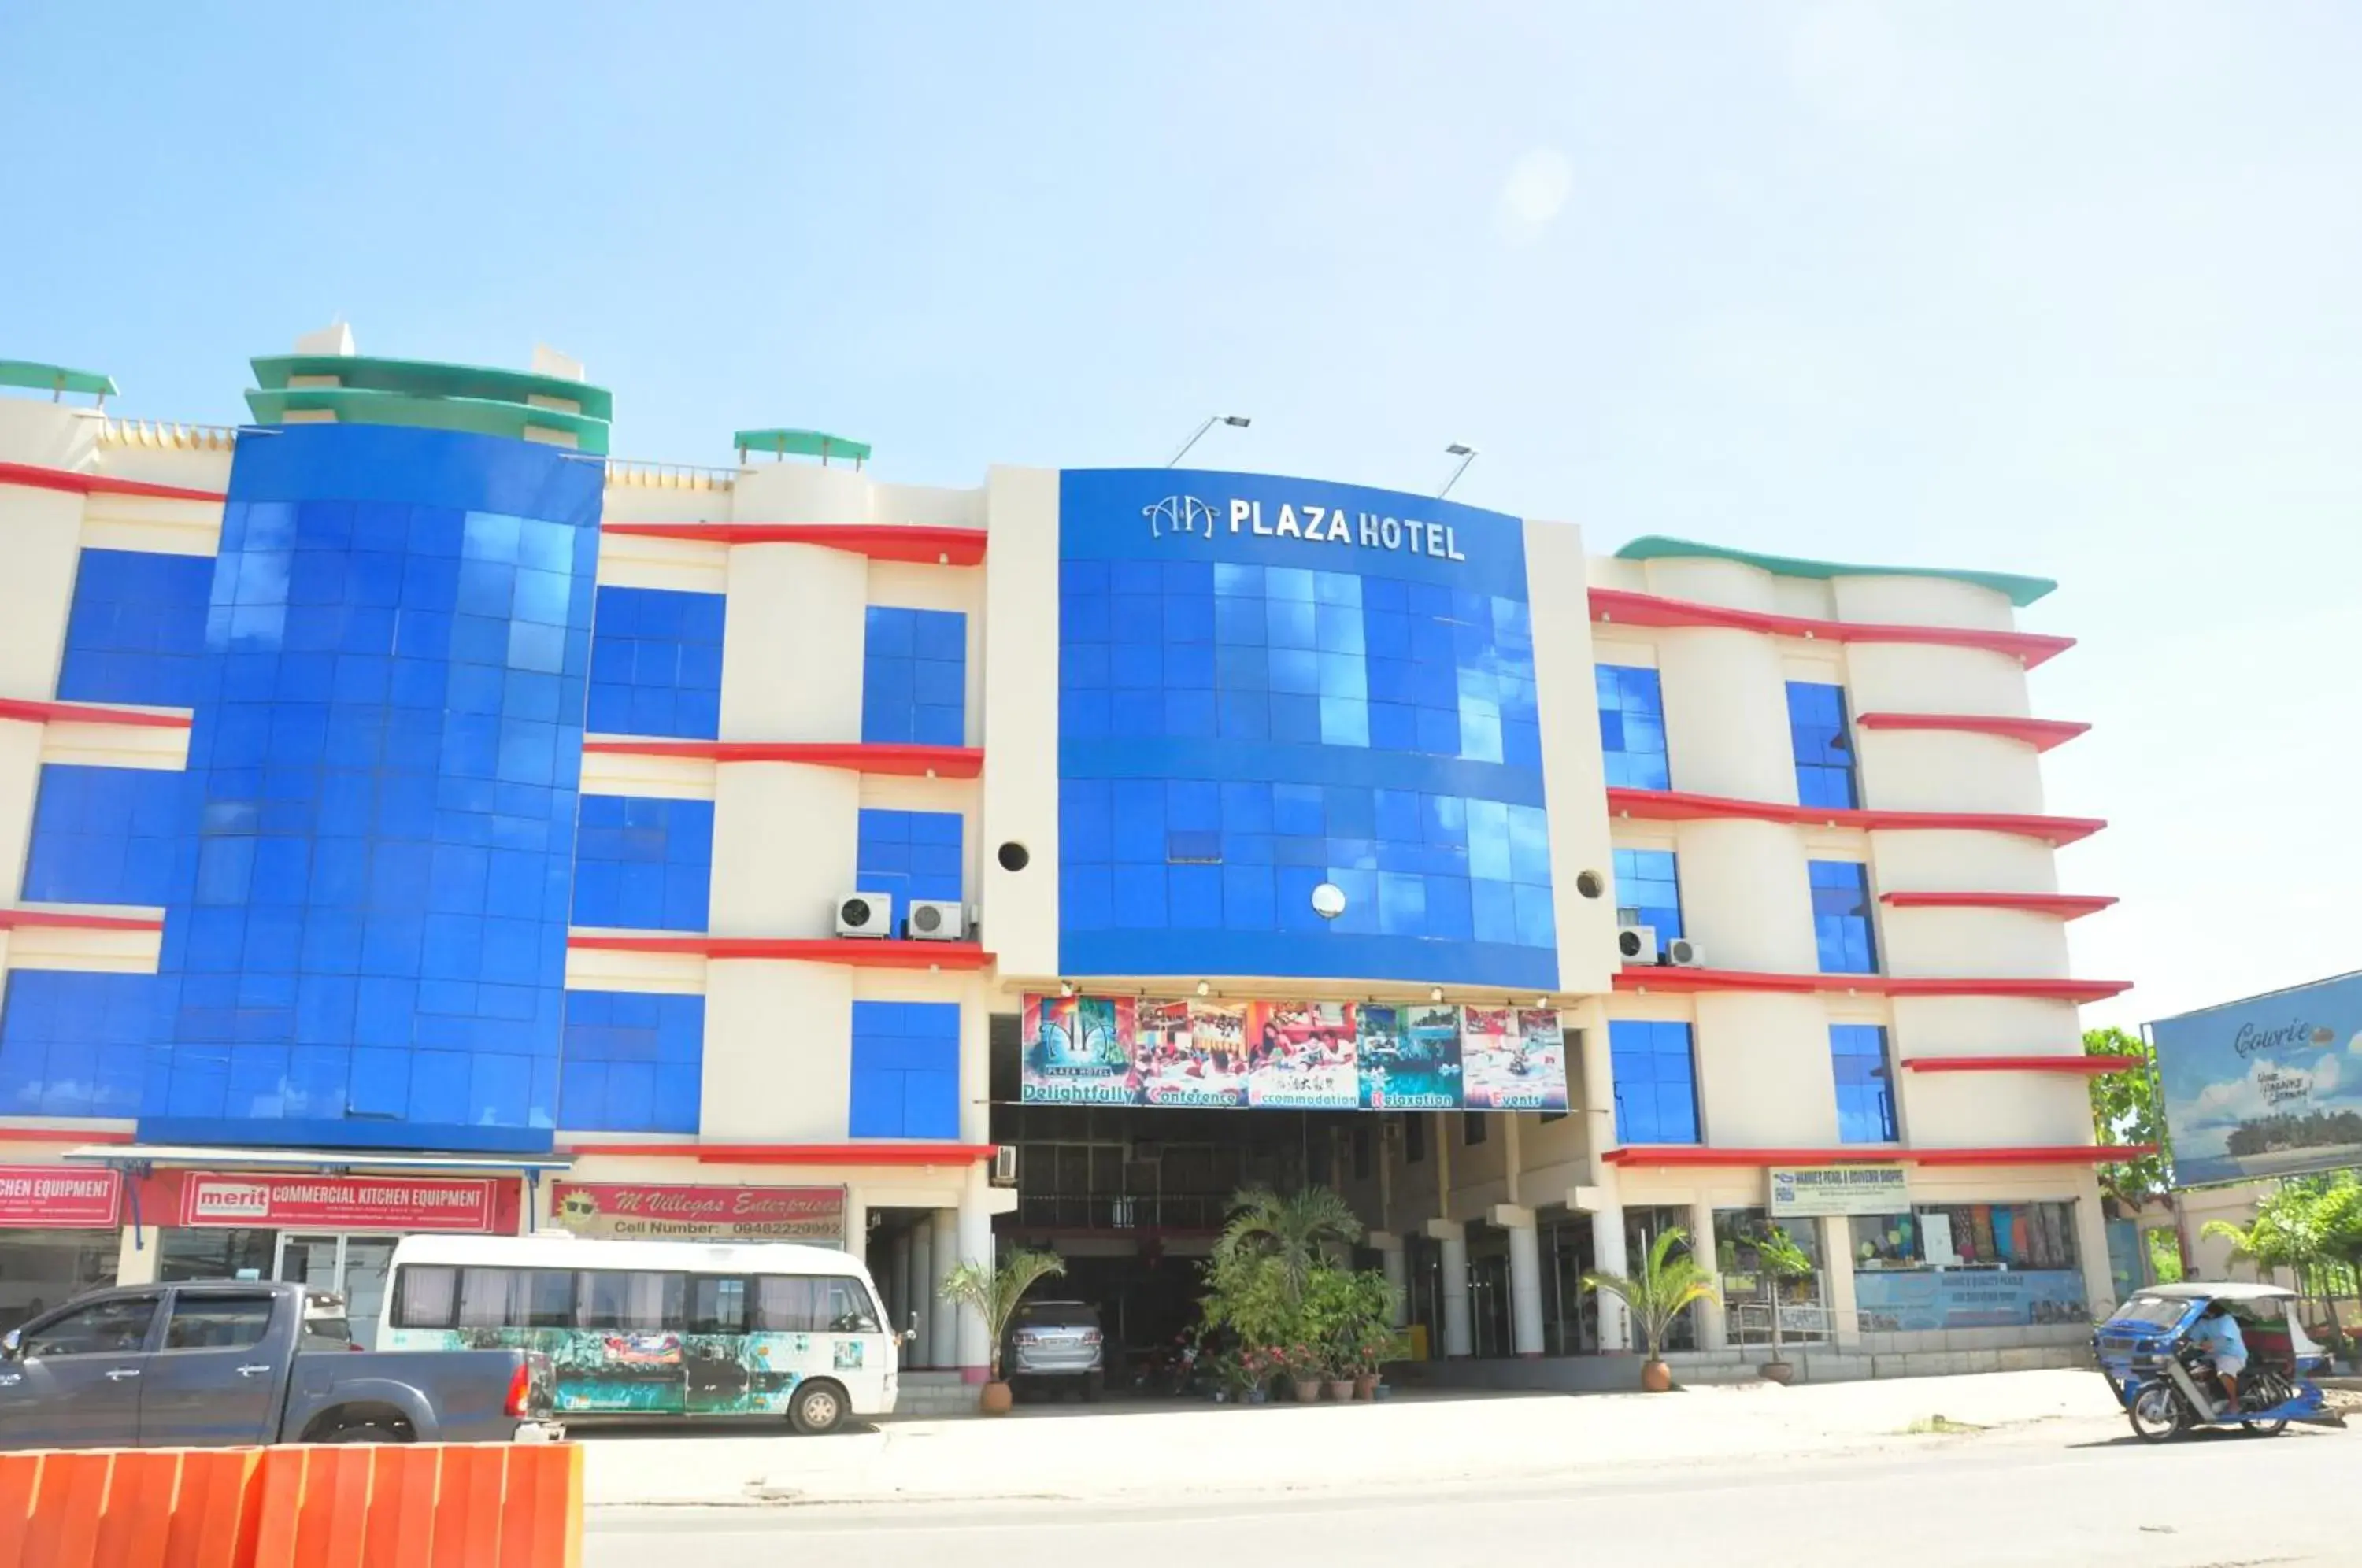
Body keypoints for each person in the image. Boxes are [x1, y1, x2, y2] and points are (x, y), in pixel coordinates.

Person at [2188, 1300, 2247, 1409]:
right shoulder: (2203, 1321)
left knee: (2223, 1372)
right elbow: (2193, 1337)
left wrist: (2209, 1344)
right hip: (2212, 1355)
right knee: (2193, 1370)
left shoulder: (2226, 1320)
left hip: (2232, 1355)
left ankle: (2234, 1402)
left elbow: (2226, 1340)